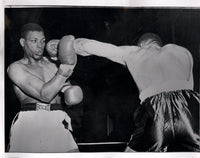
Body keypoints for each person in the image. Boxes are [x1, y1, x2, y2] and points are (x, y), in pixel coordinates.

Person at [47, 33, 200, 151]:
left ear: (141, 44)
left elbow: (87, 46)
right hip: (191, 107)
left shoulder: (133, 53)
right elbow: (190, 90)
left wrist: (63, 45)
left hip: (155, 110)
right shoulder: (183, 52)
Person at [7, 23, 82, 152]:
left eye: (42, 41)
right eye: (34, 41)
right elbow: (44, 95)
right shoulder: (16, 68)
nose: (40, 46)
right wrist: (64, 70)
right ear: (22, 42)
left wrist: (69, 91)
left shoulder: (54, 64)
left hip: (58, 119)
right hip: (30, 121)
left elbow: (68, 95)